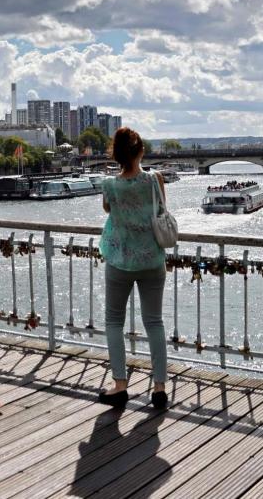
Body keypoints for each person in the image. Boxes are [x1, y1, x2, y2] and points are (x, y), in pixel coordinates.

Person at [98, 126, 168, 409]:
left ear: (116, 155)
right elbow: (162, 212)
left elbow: (108, 210)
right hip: (152, 259)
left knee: (114, 322)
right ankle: (160, 388)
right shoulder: (155, 180)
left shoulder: (109, 185)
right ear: (141, 151)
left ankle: (120, 385)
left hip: (119, 260)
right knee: (154, 322)